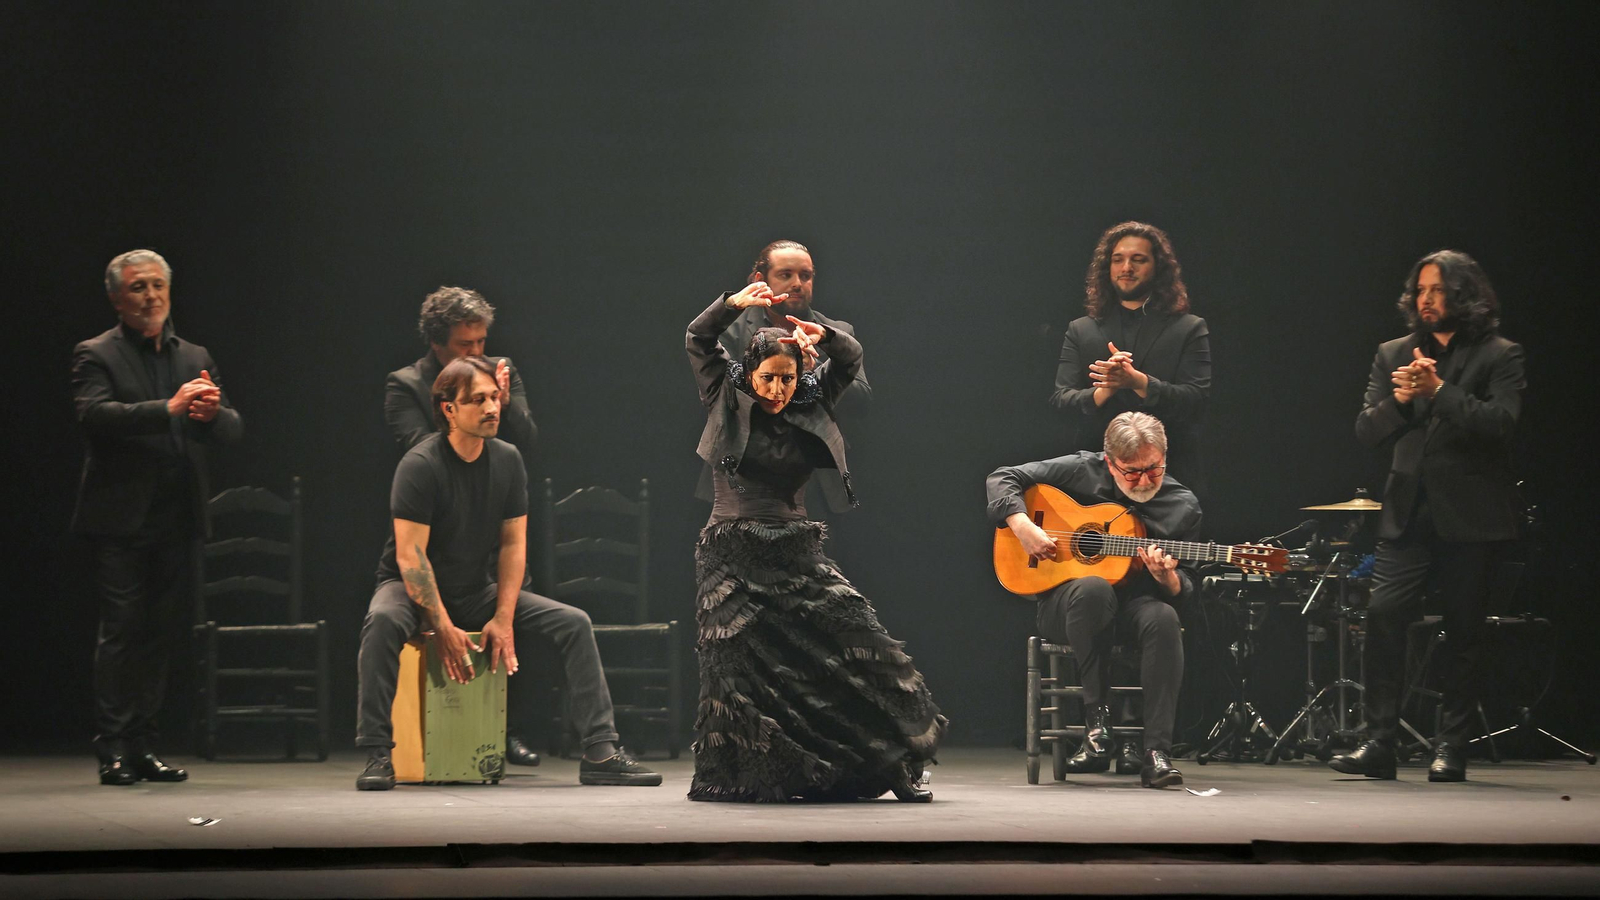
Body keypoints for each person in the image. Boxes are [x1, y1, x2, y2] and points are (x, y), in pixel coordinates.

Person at [685, 280, 944, 802]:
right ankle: (753, 772)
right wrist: (734, 304)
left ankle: (889, 764)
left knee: (856, 644)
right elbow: (698, 337)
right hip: (729, 555)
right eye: (767, 378)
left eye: (786, 379)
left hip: (794, 549)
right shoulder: (725, 395)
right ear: (750, 374)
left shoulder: (812, 397)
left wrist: (822, 334)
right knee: (740, 672)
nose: (777, 390)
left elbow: (849, 361)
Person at [354, 356, 660, 790]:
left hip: (475, 588)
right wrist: (440, 623)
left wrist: (502, 617)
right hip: (410, 587)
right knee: (383, 619)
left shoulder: (508, 460)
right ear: (449, 410)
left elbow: (514, 545)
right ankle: (377, 753)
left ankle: (600, 750)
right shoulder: (420, 465)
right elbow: (410, 557)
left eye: (494, 397)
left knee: (574, 622)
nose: (493, 407)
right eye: (477, 400)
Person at [1330, 250, 1525, 783]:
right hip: (1407, 515)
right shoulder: (1394, 351)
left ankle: (1452, 746)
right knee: (1384, 615)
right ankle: (1379, 742)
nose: (1426, 300)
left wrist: (1439, 392)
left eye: (1436, 290)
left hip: (1472, 517)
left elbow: (1500, 423)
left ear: (1464, 295)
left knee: (1465, 633)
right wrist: (1399, 401)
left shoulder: (1499, 355)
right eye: (1420, 291)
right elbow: (1366, 430)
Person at [71, 249, 243, 786]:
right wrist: (165, 409)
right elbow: (93, 416)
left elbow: (232, 430)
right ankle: (113, 748)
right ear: (117, 299)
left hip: (175, 516)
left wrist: (214, 415)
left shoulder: (194, 355)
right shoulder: (95, 353)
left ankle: (145, 746)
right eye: (139, 288)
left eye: (158, 287)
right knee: (122, 632)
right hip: (122, 519)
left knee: (160, 635)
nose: (151, 297)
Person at [986, 412, 1196, 788]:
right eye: (1132, 472)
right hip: (1067, 606)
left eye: (1154, 469)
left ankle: (1157, 752)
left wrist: (1169, 580)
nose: (1145, 480)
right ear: (1109, 461)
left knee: (1164, 617)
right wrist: (1023, 526)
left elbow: (1187, 588)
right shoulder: (1082, 470)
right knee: (1094, 588)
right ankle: (1097, 724)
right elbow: (1002, 477)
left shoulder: (1182, 505)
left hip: (1134, 607)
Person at [383, 286, 542, 767]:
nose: (477, 353)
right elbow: (428, 450)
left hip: (489, 522)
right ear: (438, 343)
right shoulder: (406, 384)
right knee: (392, 619)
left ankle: (505, 728)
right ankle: (390, 742)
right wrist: (470, 405)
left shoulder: (500, 372)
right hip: (435, 522)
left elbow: (528, 441)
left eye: (481, 342)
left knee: (517, 605)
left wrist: (503, 403)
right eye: (464, 345)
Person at [698, 240, 869, 516]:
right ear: (760, 280)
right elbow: (723, 394)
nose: (797, 283)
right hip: (745, 474)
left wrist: (811, 371)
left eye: (806, 275)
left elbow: (861, 399)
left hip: (810, 476)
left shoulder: (836, 333)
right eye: (785, 274)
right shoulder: (732, 330)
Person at [1051, 222, 1210, 493]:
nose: (1126, 267)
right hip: (1095, 480)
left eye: (1138, 260)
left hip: (1168, 477)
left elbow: (1197, 401)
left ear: (1158, 267)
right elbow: (1060, 401)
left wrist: (1139, 381)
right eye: (1118, 259)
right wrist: (1104, 391)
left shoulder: (1188, 328)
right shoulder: (1081, 329)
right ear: (1107, 267)